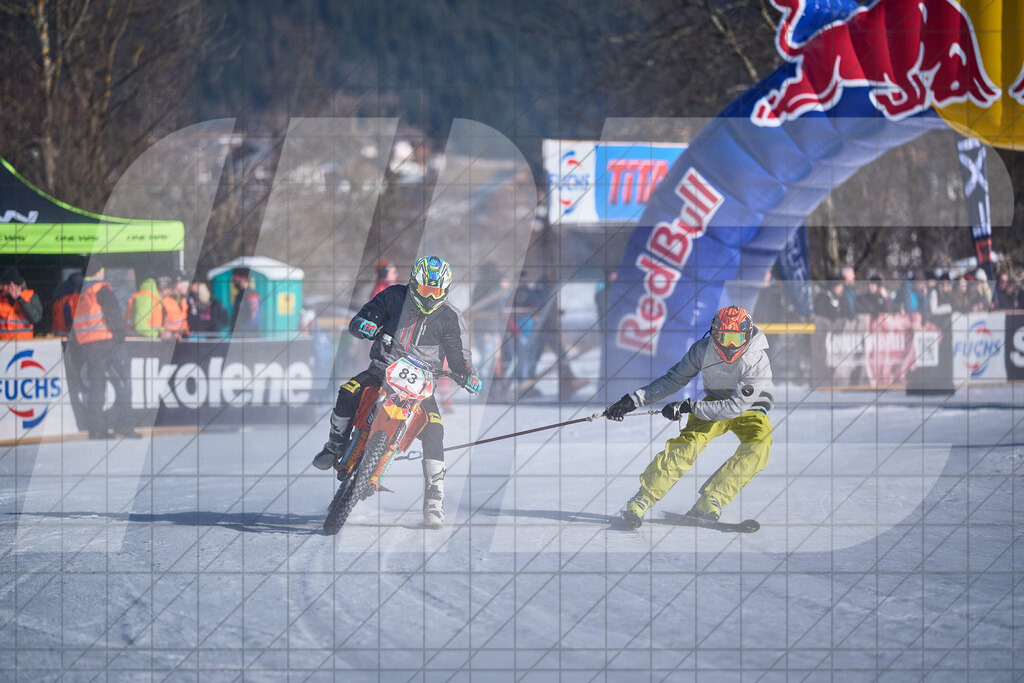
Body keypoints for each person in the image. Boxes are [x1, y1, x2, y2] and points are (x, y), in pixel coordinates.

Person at [311, 256, 482, 529]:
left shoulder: (451, 316)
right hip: (383, 368)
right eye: (425, 290)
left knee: (435, 429)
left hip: (422, 385)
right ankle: (335, 443)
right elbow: (362, 319)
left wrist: (467, 375)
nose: (429, 296)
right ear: (413, 283)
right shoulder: (393, 296)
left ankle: (434, 499)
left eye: (435, 292)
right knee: (348, 391)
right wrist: (365, 325)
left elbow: (459, 355)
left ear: (445, 291)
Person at [605, 305, 774, 528]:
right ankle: (642, 499)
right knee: (687, 445)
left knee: (759, 445)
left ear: (748, 334)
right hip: (713, 403)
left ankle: (712, 498)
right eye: (724, 337)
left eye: (736, 338)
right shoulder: (703, 350)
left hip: (750, 409)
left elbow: (735, 407)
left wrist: (689, 407)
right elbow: (673, 380)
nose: (730, 345)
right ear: (714, 333)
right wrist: (632, 401)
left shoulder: (757, 361)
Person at [70, 259, 141, 439]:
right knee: (124, 384)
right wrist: (120, 338)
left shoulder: (78, 293)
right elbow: (114, 314)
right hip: (109, 344)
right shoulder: (101, 288)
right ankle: (124, 426)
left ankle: (97, 430)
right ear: (99, 272)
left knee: (96, 389)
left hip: (89, 346)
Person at [0, 267, 43, 339]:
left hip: (24, 345)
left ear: (11, 285)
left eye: (2, 285)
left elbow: (36, 318)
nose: (0, 287)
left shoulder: (31, 296)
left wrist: (20, 299)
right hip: (3, 346)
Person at [230, 267, 261, 334]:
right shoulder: (239, 296)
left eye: (236, 277)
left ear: (244, 278)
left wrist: (240, 330)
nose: (234, 280)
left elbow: (255, 320)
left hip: (249, 337)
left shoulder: (252, 296)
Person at [160, 270, 190, 339]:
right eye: (185, 282)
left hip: (183, 338)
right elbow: (157, 322)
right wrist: (168, 333)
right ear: (177, 284)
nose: (188, 285)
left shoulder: (183, 300)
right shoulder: (164, 300)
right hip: (168, 341)